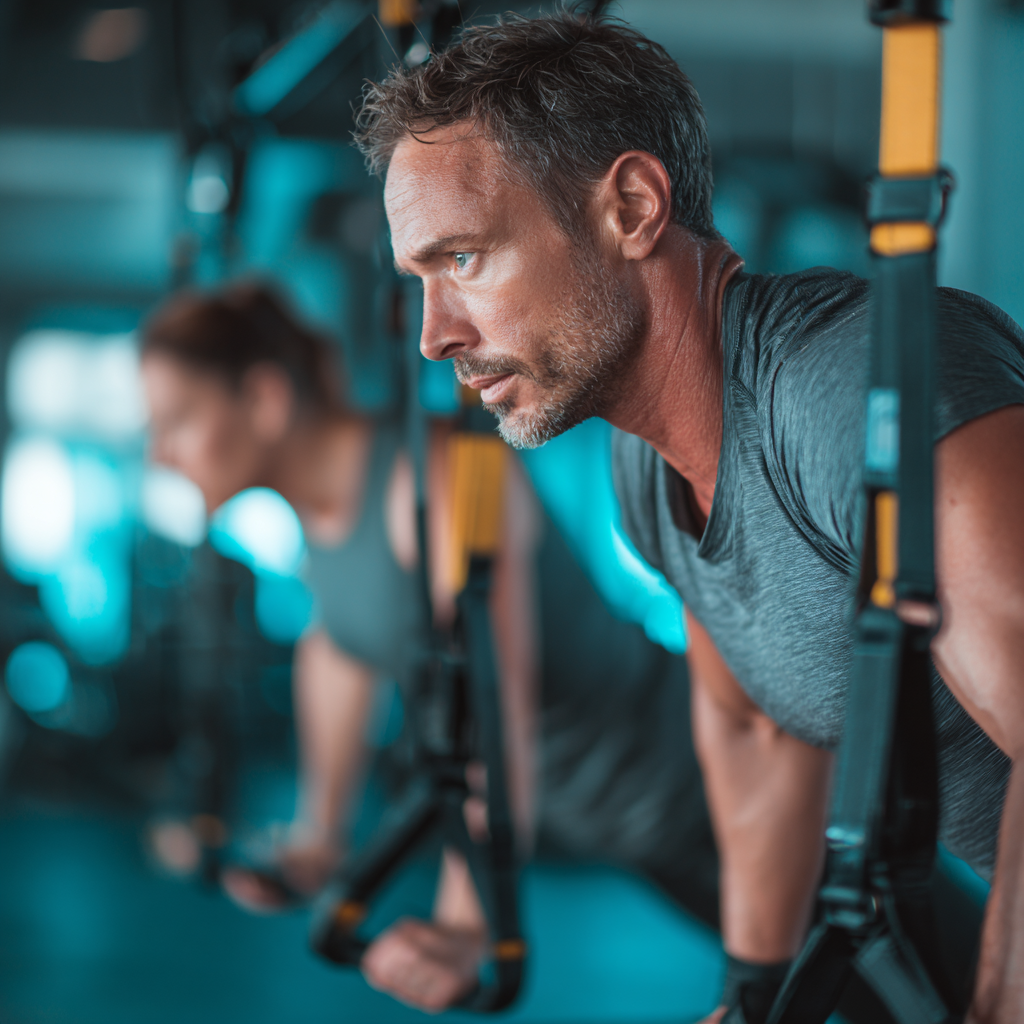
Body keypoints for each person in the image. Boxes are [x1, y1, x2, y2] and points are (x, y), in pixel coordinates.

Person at [358, 11, 1024, 1023]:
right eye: (420, 280)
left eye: (464, 261)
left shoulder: (845, 392)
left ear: (630, 205)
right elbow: (754, 724)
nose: (434, 337)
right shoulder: (647, 469)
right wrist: (754, 995)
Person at [139, 282, 718, 1012]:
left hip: (693, 777)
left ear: (262, 399)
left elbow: (490, 699)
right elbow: (342, 645)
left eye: (177, 420)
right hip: (613, 818)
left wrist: (466, 921)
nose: (160, 455)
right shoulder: (321, 522)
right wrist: (320, 838)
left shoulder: (434, 477)